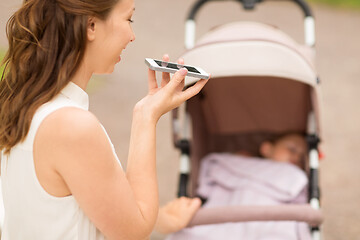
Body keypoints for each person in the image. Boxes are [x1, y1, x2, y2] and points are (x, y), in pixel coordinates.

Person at [0, 0, 207, 239]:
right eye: (128, 19)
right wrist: (146, 117)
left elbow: (92, 196)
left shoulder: (24, 103)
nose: (132, 36)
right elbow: (134, 233)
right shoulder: (72, 127)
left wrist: (163, 218)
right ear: (91, 26)